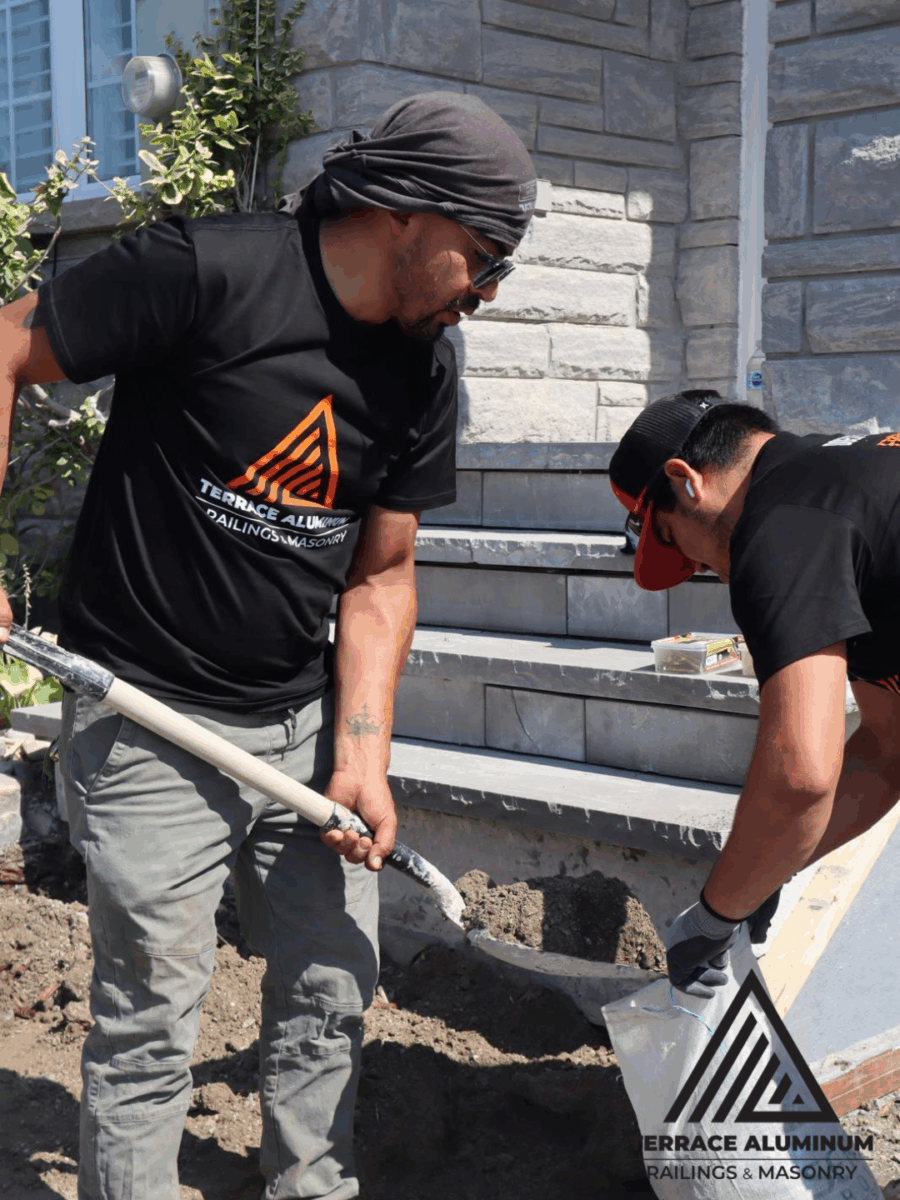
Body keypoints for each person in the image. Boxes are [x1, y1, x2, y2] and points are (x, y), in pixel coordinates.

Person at [0, 92, 536, 1199]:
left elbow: (382, 576)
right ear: (408, 214)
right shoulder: (208, 271)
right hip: (145, 714)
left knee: (332, 986)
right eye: (483, 259)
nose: (484, 295)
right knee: (152, 1014)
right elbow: (6, 344)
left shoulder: (425, 373)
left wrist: (363, 751)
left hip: (297, 723)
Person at [609, 390, 900, 998]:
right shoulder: (845, 478)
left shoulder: (781, 531)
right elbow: (887, 747)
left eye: (668, 536)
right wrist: (765, 875)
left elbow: (799, 776)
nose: (694, 569)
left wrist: (714, 917)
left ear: (685, 481)